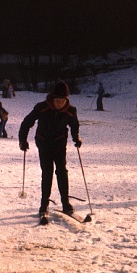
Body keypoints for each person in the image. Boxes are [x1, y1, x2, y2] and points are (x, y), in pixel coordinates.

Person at [19, 80, 82, 224]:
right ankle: (44, 204)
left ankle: (66, 203)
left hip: (59, 143)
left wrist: (76, 137)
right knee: (47, 172)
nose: (59, 103)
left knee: (62, 171)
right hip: (44, 143)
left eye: (62, 101)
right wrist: (23, 140)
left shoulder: (70, 111)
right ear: (52, 99)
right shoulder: (42, 108)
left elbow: (74, 125)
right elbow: (27, 122)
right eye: (57, 100)